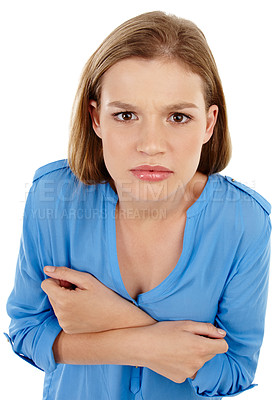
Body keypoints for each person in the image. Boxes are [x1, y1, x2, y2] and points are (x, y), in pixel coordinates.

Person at [6, 10, 271, 400]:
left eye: (178, 116)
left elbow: (234, 372)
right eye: (126, 115)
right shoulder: (54, 198)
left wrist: (112, 318)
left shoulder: (244, 223)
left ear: (209, 124)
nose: (150, 144)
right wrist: (146, 344)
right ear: (96, 118)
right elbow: (26, 330)